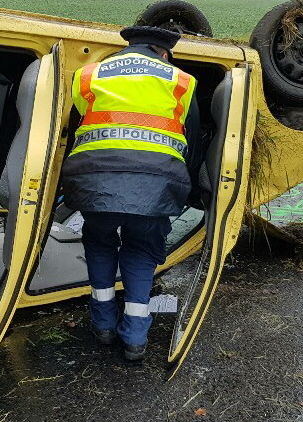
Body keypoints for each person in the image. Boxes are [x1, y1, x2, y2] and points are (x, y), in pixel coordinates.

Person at [60, 25, 200, 361]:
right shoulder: (180, 80)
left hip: (96, 182)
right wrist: (184, 186)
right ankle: (135, 337)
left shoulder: (88, 74)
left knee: (100, 240)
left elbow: (72, 127)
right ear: (164, 53)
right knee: (140, 249)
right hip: (155, 186)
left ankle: (104, 324)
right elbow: (192, 140)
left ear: (129, 47)